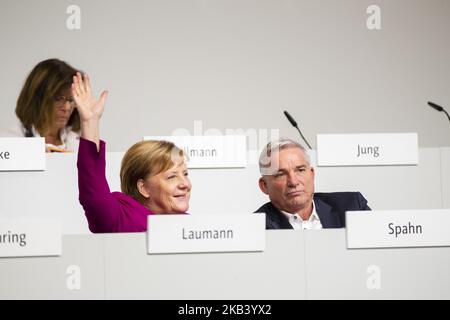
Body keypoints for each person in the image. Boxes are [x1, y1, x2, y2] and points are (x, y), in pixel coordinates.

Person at [72, 72, 192, 233]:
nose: (185, 184)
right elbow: (94, 195)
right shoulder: (122, 217)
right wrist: (90, 122)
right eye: (172, 176)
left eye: (185, 174)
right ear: (143, 188)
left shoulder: (190, 225)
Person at [255, 138, 370, 229]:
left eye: (300, 170)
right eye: (281, 174)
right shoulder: (255, 227)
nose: (293, 182)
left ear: (312, 174)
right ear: (264, 185)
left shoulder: (353, 207)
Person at [5, 59, 81, 152]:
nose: (67, 108)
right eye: (58, 99)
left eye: (71, 100)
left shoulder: (78, 143)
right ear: (37, 97)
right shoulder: (9, 142)